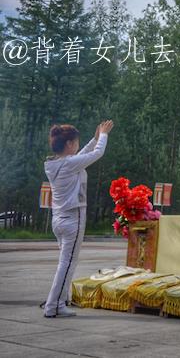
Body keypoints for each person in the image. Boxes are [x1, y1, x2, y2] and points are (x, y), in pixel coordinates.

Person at [42, 120, 114, 317]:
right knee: (67, 264)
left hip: (59, 220)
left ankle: (59, 302)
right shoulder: (69, 164)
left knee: (65, 264)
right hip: (73, 219)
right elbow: (97, 154)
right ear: (69, 144)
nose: (77, 145)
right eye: (76, 142)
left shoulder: (56, 164)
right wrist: (105, 136)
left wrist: (95, 138)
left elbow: (83, 155)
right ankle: (53, 305)